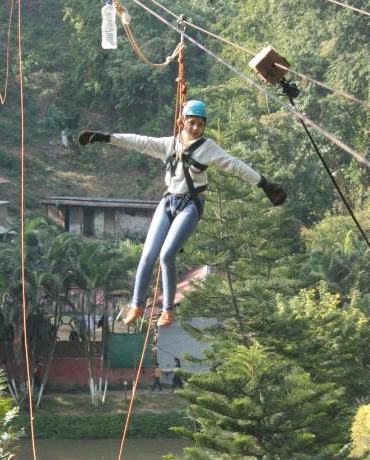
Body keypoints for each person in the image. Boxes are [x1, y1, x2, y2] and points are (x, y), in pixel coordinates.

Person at [79, 100, 286, 328]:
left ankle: (167, 310)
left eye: (199, 124)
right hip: (168, 202)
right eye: (191, 123)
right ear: (182, 122)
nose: (195, 128)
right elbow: (139, 142)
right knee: (148, 255)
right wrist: (107, 137)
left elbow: (234, 165)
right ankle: (137, 306)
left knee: (167, 255)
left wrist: (263, 183)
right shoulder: (169, 145)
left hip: (191, 204)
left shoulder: (208, 148)